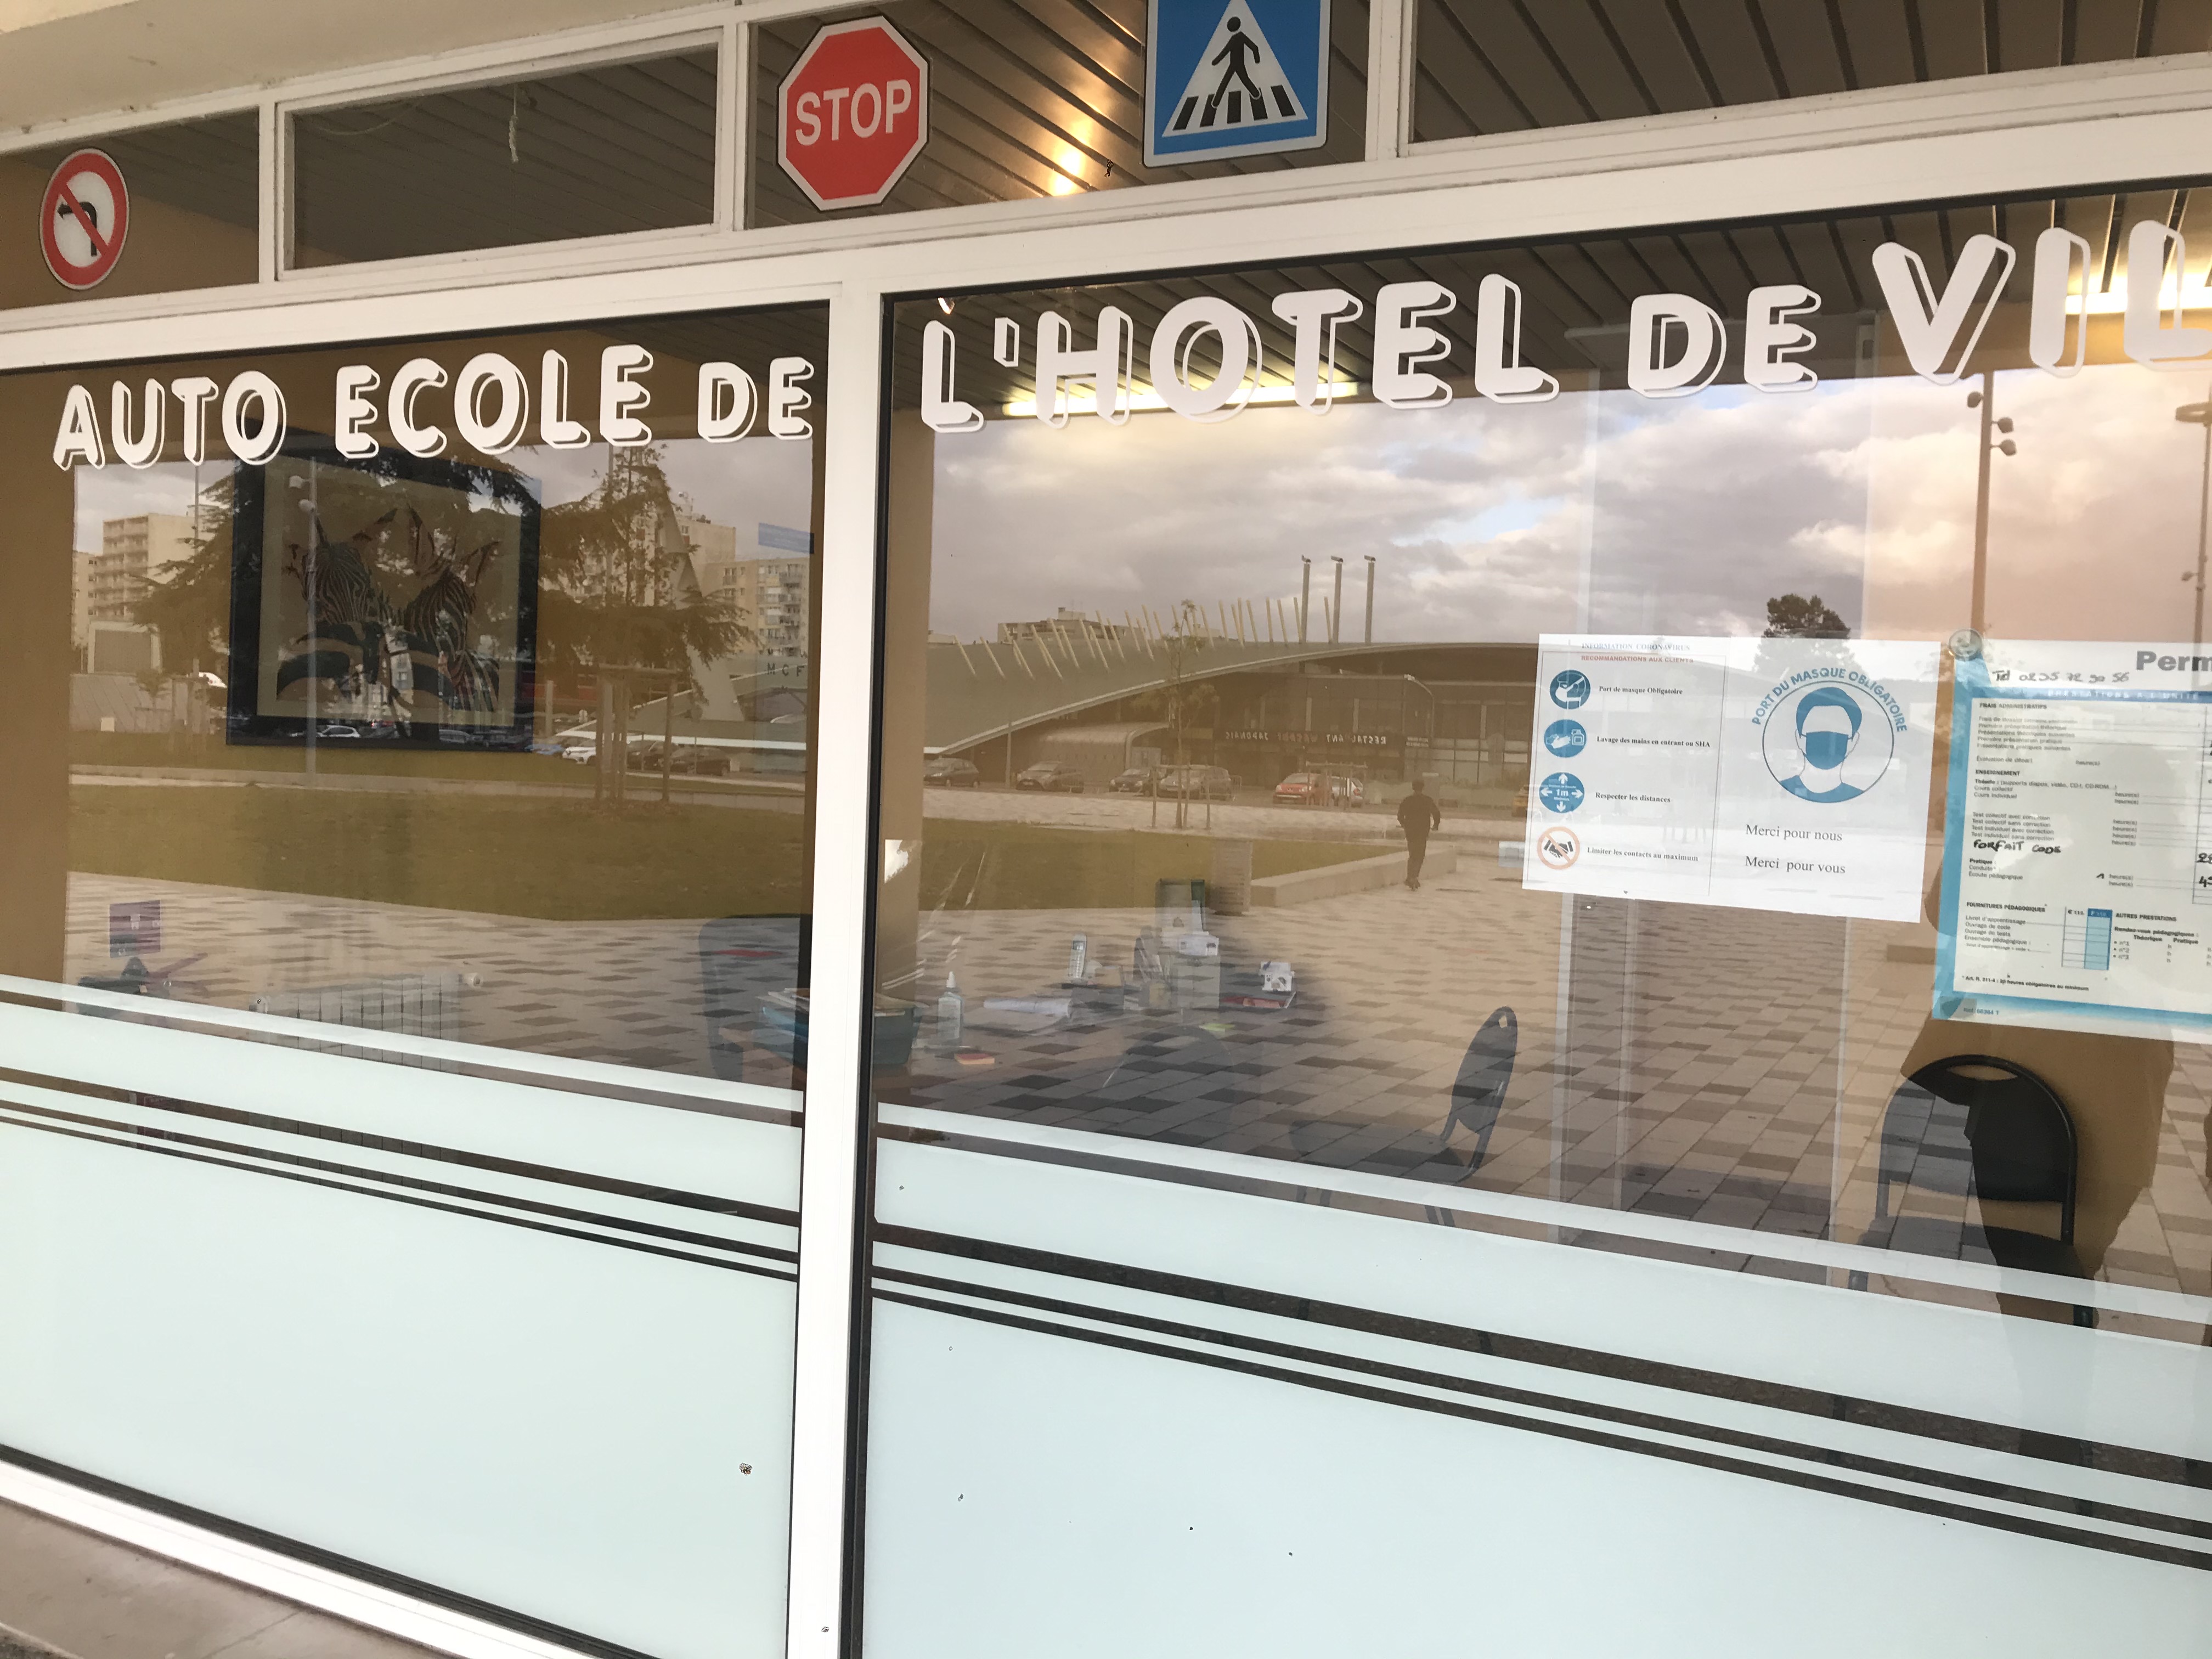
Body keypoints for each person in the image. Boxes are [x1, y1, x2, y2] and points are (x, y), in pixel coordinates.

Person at [1397, 777, 1441, 890]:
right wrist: (1436, 825)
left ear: (1413, 787)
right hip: (1422, 832)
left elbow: (1400, 815)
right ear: (1423, 788)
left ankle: (1410, 877)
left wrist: (1405, 825)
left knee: (1412, 855)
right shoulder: (1427, 800)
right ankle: (1414, 877)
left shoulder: (1408, 800)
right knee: (1420, 855)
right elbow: (1436, 813)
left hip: (1411, 832)